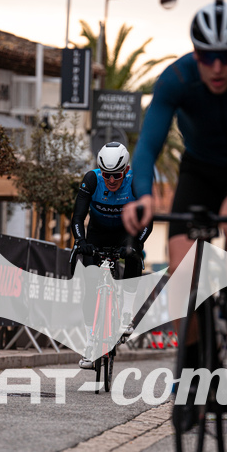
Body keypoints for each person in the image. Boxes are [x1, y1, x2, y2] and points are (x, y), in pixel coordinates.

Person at [123, 0, 227, 395]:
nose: (217, 67)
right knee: (182, 269)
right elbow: (147, 148)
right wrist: (143, 196)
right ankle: (191, 360)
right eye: (206, 57)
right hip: (198, 171)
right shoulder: (176, 79)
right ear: (195, 53)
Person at [72, 142, 151, 369]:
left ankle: (126, 314)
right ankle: (90, 344)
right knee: (90, 284)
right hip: (97, 234)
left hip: (126, 233)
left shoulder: (134, 181)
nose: (112, 180)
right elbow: (78, 217)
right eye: (107, 174)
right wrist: (81, 242)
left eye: (117, 174)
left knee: (133, 255)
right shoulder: (92, 179)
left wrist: (137, 244)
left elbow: (148, 219)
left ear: (126, 170)